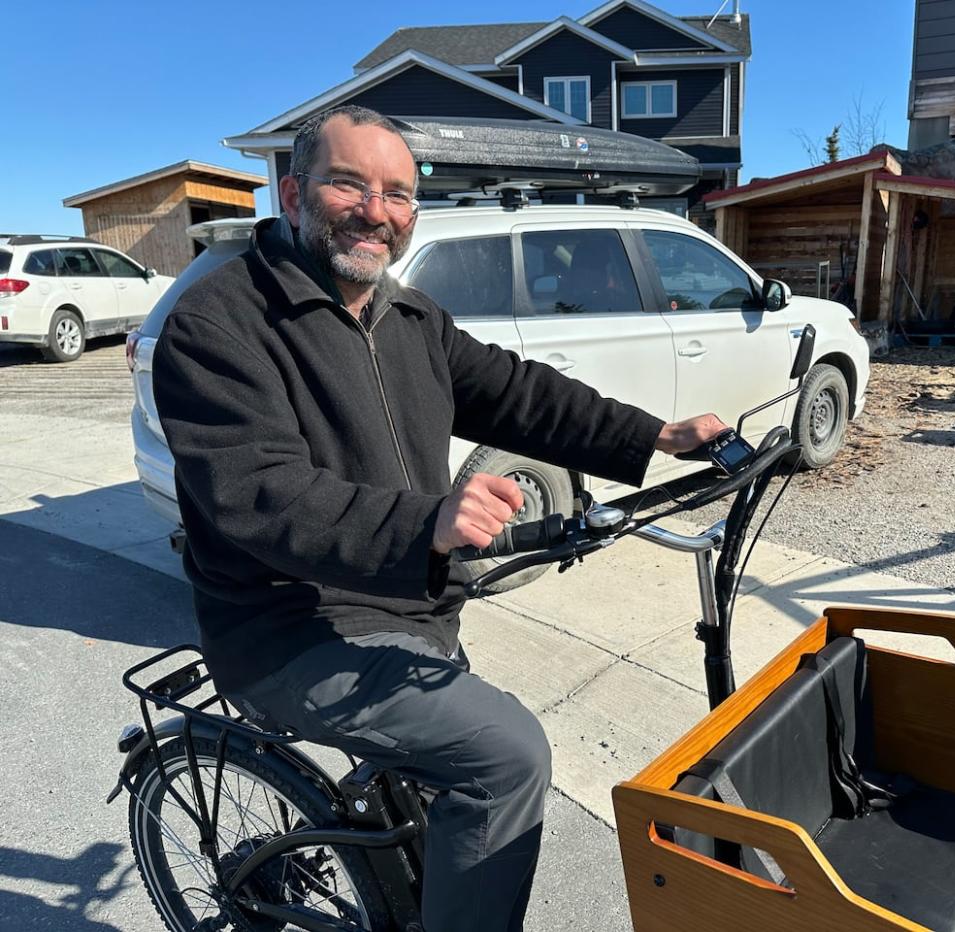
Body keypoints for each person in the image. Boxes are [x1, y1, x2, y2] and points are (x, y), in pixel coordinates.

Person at [151, 104, 726, 932]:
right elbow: (261, 496)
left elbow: (520, 394)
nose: (377, 211)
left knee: (449, 790)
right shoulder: (220, 325)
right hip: (287, 630)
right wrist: (427, 523)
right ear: (291, 192)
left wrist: (657, 434)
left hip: (411, 602)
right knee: (505, 757)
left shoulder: (409, 316)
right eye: (349, 183)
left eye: (399, 194)